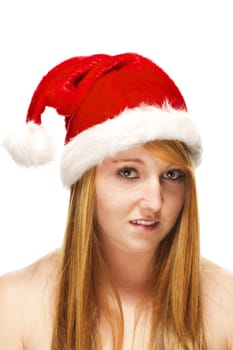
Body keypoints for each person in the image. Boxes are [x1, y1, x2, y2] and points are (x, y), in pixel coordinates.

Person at [0, 52, 233, 350]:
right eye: (128, 172)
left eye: (172, 175)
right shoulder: (15, 306)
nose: (155, 202)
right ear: (87, 183)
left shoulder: (226, 306)